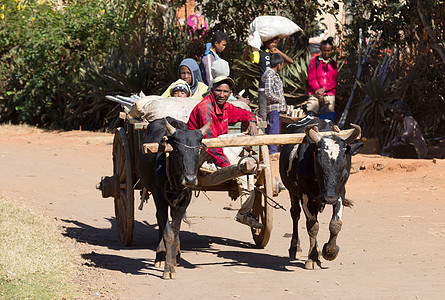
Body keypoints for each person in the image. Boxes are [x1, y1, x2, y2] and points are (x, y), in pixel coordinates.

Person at [187, 76, 262, 229]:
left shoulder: (226, 107)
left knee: (245, 168)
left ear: (230, 93)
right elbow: (209, 142)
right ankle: (230, 171)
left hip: (216, 149)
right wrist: (228, 166)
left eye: (225, 91)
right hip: (198, 152)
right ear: (212, 91)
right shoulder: (205, 108)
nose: (221, 94)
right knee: (238, 168)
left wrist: (252, 121)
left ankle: (244, 213)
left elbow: (243, 113)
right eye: (218, 90)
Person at [243, 37, 294, 121]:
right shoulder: (260, 54)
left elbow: (291, 61)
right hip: (263, 88)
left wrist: (279, 52)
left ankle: (272, 132)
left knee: (273, 114)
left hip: (275, 90)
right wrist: (248, 46)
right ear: (266, 43)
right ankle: (263, 132)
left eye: (276, 43)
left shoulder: (276, 55)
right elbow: (245, 59)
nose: (274, 45)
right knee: (263, 114)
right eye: (272, 43)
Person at [262, 53, 286, 160]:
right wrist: (278, 99)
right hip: (273, 107)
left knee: (274, 127)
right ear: (279, 65)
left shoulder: (272, 74)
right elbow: (268, 92)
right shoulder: (270, 75)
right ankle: (272, 151)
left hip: (275, 108)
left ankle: (272, 149)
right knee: (273, 128)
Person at [306, 37, 338, 119]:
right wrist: (319, 93)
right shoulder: (314, 61)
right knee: (311, 117)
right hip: (315, 94)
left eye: (328, 51)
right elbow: (311, 78)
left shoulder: (333, 64)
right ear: (321, 50)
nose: (326, 53)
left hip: (329, 95)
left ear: (331, 51)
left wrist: (324, 89)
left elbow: (334, 81)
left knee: (328, 119)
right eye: (324, 50)